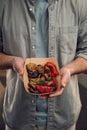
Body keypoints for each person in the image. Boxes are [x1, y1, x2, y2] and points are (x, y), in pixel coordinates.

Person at [0, 0, 87, 130]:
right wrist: (12, 62)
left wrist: (69, 69)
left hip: (63, 116)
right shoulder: (3, 4)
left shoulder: (80, 3)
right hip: (18, 115)